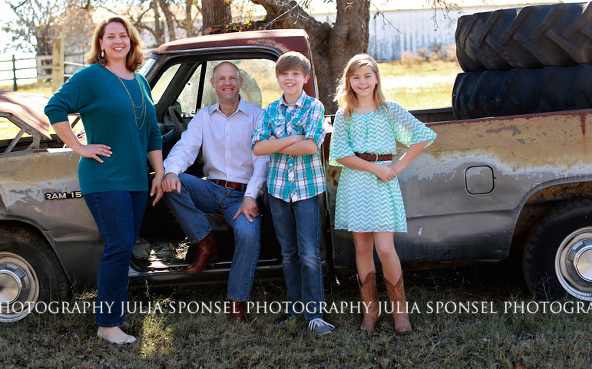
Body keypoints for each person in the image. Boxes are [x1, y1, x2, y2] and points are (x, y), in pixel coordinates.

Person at [45, 16, 164, 345]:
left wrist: (160, 171)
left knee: (123, 247)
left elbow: (151, 131)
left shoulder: (139, 80)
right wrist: (80, 147)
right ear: (100, 43)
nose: (117, 41)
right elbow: (55, 107)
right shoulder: (91, 77)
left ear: (131, 41)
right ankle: (108, 324)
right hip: (104, 176)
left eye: (122, 36)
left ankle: (113, 317)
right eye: (110, 36)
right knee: (119, 245)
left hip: (137, 179)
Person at [328, 54, 436, 334]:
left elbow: (423, 135)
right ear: (348, 82)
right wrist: (373, 168)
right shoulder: (345, 114)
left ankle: (400, 313)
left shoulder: (389, 110)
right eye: (356, 77)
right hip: (356, 182)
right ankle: (371, 313)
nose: (362, 82)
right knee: (362, 248)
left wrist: (397, 165)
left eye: (367, 76)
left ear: (376, 78)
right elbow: (340, 153)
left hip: (382, 185)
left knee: (385, 249)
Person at [161, 61, 268, 324]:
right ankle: (206, 244)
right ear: (213, 84)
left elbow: (263, 161)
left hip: (243, 196)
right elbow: (186, 147)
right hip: (211, 188)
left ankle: (237, 303)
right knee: (173, 183)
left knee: (248, 234)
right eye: (222, 79)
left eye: (232, 78)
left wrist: (251, 196)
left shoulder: (257, 115)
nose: (227, 83)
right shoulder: (203, 117)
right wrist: (171, 171)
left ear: (240, 82)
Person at [252, 51, 335, 336]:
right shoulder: (270, 110)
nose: (290, 79)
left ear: (305, 78)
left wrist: (276, 143)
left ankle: (315, 315)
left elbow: (312, 146)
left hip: (307, 189)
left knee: (310, 253)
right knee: (288, 253)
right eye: (284, 74)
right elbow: (258, 148)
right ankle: (295, 309)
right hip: (277, 190)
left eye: (296, 74)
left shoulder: (314, 107)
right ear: (277, 78)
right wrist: (292, 139)